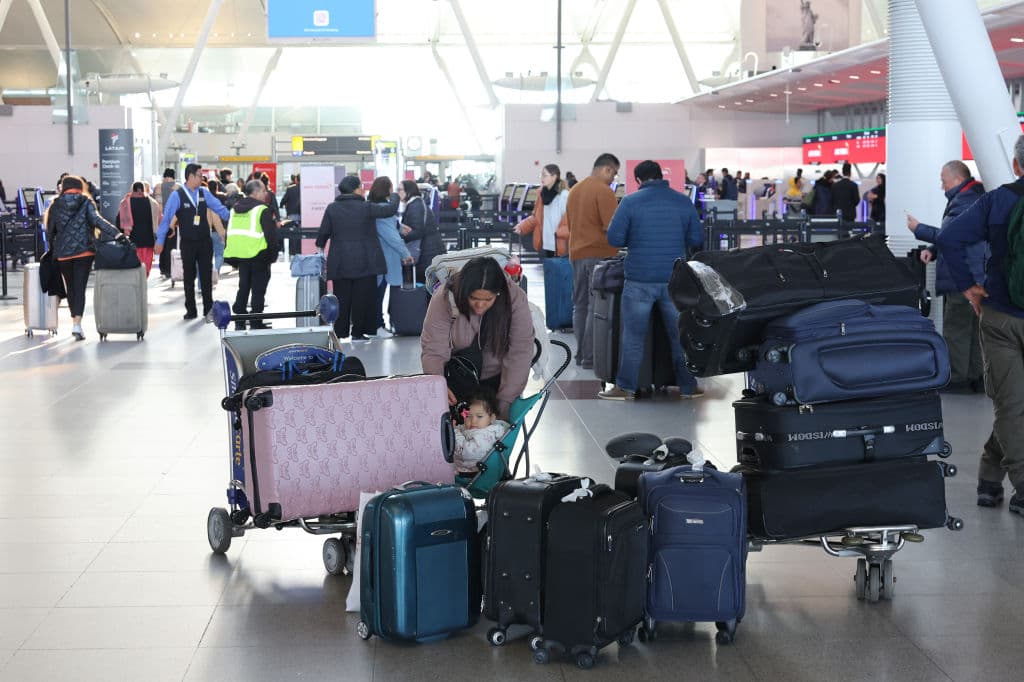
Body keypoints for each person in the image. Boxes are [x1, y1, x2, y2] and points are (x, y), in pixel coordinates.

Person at [936, 134, 1024, 515]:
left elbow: (949, 238)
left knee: (1011, 405)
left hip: (1000, 316)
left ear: (1017, 165)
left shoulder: (997, 200)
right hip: (1004, 317)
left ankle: (991, 475)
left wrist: (969, 287)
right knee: (1015, 406)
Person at [599, 160, 704, 400]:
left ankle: (626, 388)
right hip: (674, 281)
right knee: (679, 336)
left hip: (639, 279)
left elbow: (615, 238)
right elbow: (696, 238)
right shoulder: (682, 201)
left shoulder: (630, 202)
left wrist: (635, 236)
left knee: (633, 338)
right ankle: (688, 386)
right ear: (661, 176)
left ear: (638, 180)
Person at [421, 256, 534, 420]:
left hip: (500, 378)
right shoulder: (445, 297)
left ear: (498, 293)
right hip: (457, 377)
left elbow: (520, 351)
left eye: (488, 299)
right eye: (473, 298)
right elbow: (433, 350)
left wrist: (505, 401)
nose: (480, 305)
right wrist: (439, 387)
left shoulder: (514, 298)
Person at [907, 161, 987, 392]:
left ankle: (958, 378)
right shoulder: (975, 197)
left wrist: (918, 228)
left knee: (957, 329)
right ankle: (976, 377)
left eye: (943, 180)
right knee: (973, 330)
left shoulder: (963, 201)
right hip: (976, 274)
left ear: (957, 180)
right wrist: (933, 250)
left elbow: (950, 235)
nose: (941, 185)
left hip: (962, 277)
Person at [315, 175, 399, 342]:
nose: (362, 188)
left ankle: (340, 333)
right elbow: (389, 210)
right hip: (365, 261)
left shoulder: (332, 208)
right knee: (363, 298)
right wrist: (394, 195)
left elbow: (323, 233)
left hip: (340, 262)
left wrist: (321, 249)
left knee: (342, 298)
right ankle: (358, 334)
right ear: (355, 189)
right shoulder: (366, 207)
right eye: (360, 186)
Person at [44, 175, 122, 340]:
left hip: (63, 255)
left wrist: (53, 248)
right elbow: (98, 221)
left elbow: (50, 231)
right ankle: (77, 325)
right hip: (84, 253)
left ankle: (75, 322)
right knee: (80, 288)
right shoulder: (86, 202)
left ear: (64, 187)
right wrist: (118, 234)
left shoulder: (55, 205)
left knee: (70, 288)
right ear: (80, 187)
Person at [154, 163, 230, 320]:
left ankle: (208, 310)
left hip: (204, 241)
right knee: (188, 277)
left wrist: (234, 220)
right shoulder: (178, 195)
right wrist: (160, 240)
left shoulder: (204, 192)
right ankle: (191, 310)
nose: (202, 178)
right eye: (199, 175)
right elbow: (167, 218)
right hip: (187, 243)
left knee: (206, 276)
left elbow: (219, 208)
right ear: (190, 176)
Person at [566, 153, 620, 369]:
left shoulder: (575, 190)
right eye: (614, 173)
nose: (614, 178)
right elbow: (612, 228)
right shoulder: (604, 191)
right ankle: (590, 357)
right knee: (595, 305)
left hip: (577, 253)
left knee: (579, 305)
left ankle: (580, 353)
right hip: (599, 255)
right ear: (606, 169)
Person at [223, 179, 280, 331]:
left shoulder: (235, 208)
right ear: (255, 192)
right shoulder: (262, 209)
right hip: (259, 255)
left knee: (244, 285)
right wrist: (272, 256)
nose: (266, 193)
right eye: (263, 190)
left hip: (241, 256)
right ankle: (256, 320)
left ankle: (240, 316)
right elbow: (271, 236)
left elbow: (231, 232)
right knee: (258, 288)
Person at [368, 176, 414, 337]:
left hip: (378, 257)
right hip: (386, 259)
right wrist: (406, 254)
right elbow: (391, 237)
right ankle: (378, 326)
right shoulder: (384, 210)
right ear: (387, 190)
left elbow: (388, 228)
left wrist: (400, 227)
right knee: (379, 294)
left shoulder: (374, 208)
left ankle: (378, 325)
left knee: (377, 293)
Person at [513, 163, 569, 258]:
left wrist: (559, 233)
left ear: (554, 177)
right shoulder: (542, 195)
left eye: (545, 175)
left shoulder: (564, 196)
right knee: (548, 271)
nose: (542, 178)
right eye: (541, 175)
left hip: (559, 244)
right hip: (545, 244)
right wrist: (522, 226)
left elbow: (570, 221)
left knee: (560, 271)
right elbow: (536, 217)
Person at [451, 387, 511, 474]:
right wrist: (453, 427)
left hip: (471, 472)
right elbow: (463, 428)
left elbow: (467, 453)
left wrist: (454, 433)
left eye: (479, 416)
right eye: (468, 416)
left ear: (492, 418)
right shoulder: (480, 426)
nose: (473, 421)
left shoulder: (486, 435)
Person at [398, 180, 445, 282]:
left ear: (409, 191)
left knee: (426, 287)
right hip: (428, 251)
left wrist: (400, 234)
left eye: (400, 189)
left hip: (426, 253)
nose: (398, 192)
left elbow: (418, 231)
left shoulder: (416, 206)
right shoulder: (415, 204)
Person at [117, 181, 161, 276]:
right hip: (148, 241)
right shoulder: (153, 203)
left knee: (135, 267)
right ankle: (144, 282)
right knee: (146, 266)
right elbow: (159, 220)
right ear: (143, 189)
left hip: (132, 240)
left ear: (132, 189)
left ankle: (137, 284)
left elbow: (118, 222)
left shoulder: (125, 202)